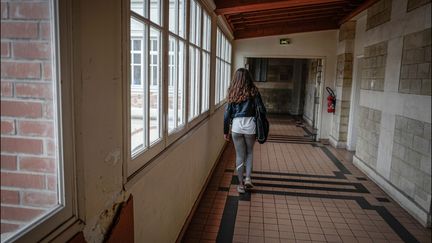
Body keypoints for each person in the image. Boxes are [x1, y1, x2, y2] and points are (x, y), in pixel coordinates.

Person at [223, 68, 266, 194]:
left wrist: (226, 131)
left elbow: (227, 114)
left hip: (236, 126)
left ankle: (240, 184)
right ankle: (248, 178)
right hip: (250, 126)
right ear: (249, 78)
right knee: (250, 153)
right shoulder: (254, 91)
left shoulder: (232, 91)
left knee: (240, 155)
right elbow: (262, 110)